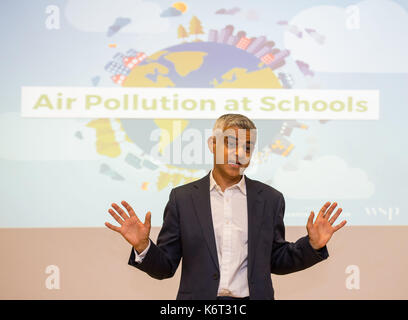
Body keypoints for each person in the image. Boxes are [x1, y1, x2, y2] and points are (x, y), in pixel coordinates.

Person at [105, 113, 347, 300]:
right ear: (212, 144)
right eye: (231, 143)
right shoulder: (183, 198)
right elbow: (165, 267)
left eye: (248, 147)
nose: (240, 153)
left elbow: (276, 260)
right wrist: (143, 246)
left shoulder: (270, 199)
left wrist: (313, 245)